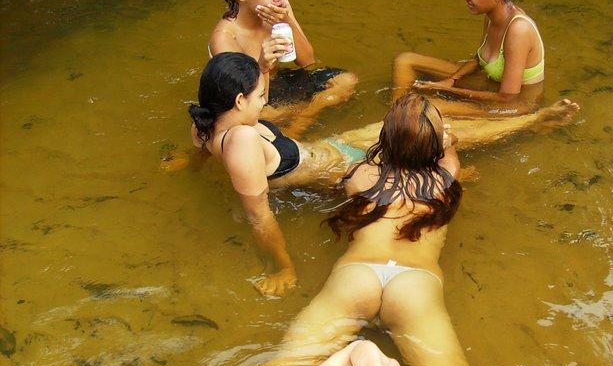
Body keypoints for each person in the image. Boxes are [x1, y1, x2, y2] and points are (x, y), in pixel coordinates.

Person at [230, 93, 578, 366]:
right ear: (437, 146)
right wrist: (447, 138)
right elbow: (447, 148)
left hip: (357, 276)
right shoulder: (447, 176)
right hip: (414, 286)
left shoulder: (360, 175)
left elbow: (356, 174)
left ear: (384, 140)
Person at [188, 53, 579, 297]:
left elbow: (202, 151)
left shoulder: (205, 119)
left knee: (421, 123)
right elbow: (259, 214)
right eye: (260, 95)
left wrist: (185, 167)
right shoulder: (240, 141)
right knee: (436, 136)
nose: (265, 100)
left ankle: (521, 124)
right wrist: (282, 268)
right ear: (238, 101)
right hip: (335, 169)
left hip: (331, 147)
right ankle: (532, 122)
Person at [209, 0, 358, 137]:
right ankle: (300, 117)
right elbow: (246, 107)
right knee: (265, 116)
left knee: (345, 81)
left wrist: (286, 20)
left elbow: (307, 61)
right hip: (254, 98)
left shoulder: (279, 6)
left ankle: (296, 126)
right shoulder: (225, 37)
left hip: (279, 81)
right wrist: (262, 64)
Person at [393, 0, 545, 118]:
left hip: (512, 108)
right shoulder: (491, 15)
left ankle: (401, 121)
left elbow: (507, 98)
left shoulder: (519, 31)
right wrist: (451, 80)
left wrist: (446, 90)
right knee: (405, 61)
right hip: (489, 85)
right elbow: (479, 60)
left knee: (428, 108)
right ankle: (394, 118)